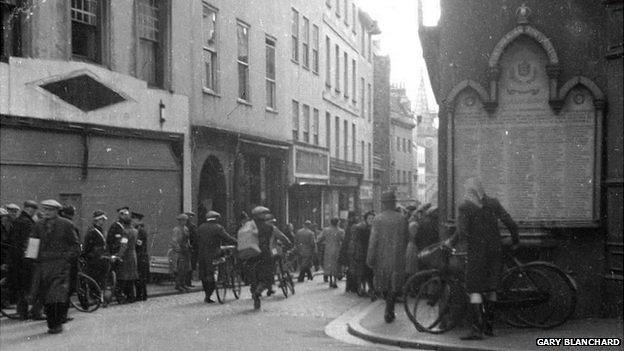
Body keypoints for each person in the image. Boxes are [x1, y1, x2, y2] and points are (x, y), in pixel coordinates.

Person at [448, 178, 519, 340]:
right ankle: (489, 327)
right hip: (496, 251)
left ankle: (476, 330)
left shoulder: (465, 206)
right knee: (492, 288)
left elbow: (462, 231)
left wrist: (452, 243)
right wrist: (515, 240)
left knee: (474, 289)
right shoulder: (493, 203)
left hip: (477, 254)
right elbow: (510, 223)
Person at [29, 199, 81, 334]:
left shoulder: (66, 224)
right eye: (45, 209)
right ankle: (52, 324)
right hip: (43, 266)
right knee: (46, 296)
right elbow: (33, 243)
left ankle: (57, 323)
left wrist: (66, 258)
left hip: (60, 266)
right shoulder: (38, 225)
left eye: (50, 210)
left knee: (57, 296)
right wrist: (30, 259)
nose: (46, 212)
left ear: (57, 211)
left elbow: (75, 245)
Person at [367, 190, 409, 323]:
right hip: (397, 257)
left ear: (384, 204)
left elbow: (373, 240)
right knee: (394, 285)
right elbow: (407, 239)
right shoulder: (402, 219)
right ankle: (389, 308)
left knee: (384, 284)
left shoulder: (378, 219)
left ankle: (388, 307)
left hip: (382, 257)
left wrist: (370, 257)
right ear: (394, 203)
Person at [196, 211, 237, 303]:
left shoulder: (200, 228)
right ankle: (222, 276)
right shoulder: (218, 228)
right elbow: (227, 238)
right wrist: (237, 242)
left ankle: (207, 294)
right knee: (222, 260)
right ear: (216, 219)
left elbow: (196, 240)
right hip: (214, 253)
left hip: (202, 254)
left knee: (204, 274)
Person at [6, 200, 38, 319]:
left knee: (20, 287)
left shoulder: (17, 221)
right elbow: (30, 243)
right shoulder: (27, 223)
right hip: (25, 260)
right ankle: (25, 312)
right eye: (34, 210)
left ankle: (21, 312)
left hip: (16, 260)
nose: (34, 212)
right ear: (30, 209)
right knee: (26, 286)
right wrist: (32, 258)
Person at [248, 206, 274, 310]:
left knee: (254, 277)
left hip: (251, 254)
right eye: (264, 214)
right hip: (264, 253)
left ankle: (256, 298)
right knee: (267, 277)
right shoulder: (268, 227)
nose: (265, 215)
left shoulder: (248, 226)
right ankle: (258, 292)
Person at [112, 210, 138, 303]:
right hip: (133, 254)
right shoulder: (135, 231)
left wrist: (119, 255)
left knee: (122, 277)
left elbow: (124, 245)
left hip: (126, 256)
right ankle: (131, 296)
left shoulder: (125, 232)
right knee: (131, 277)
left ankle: (120, 297)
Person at [83, 210, 109, 295]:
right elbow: (87, 246)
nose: (103, 222)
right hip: (94, 259)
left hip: (101, 258)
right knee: (94, 278)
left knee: (101, 277)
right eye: (102, 220)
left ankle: (99, 294)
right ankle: (94, 294)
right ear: (97, 220)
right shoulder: (92, 231)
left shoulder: (100, 230)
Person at [353, 211, 375, 296]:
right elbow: (357, 242)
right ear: (366, 219)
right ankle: (361, 289)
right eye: (369, 218)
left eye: (373, 218)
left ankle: (370, 289)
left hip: (370, 254)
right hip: (362, 254)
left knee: (369, 272)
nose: (371, 220)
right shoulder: (361, 228)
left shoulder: (374, 229)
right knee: (362, 273)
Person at [318, 218, 344, 288]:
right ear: (337, 223)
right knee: (336, 265)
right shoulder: (340, 231)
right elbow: (343, 239)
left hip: (328, 250)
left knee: (329, 265)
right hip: (337, 250)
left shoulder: (325, 230)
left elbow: (319, 238)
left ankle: (330, 280)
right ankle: (335, 281)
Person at [171, 213, 191, 292]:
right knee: (180, 268)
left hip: (185, 249)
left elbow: (188, 239)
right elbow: (174, 241)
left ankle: (183, 283)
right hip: (179, 251)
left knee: (186, 268)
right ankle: (178, 285)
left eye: (185, 220)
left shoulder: (186, 229)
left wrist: (189, 245)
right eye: (183, 220)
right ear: (179, 221)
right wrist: (177, 249)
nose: (184, 222)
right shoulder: (176, 230)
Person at [339, 211, 359, 293]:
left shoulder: (348, 226)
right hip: (353, 250)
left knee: (350, 269)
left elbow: (345, 241)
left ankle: (349, 286)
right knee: (353, 269)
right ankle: (353, 286)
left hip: (348, 250)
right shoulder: (355, 226)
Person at [132, 212, 149, 301]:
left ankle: (142, 295)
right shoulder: (137, 229)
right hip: (140, 255)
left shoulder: (141, 231)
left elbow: (139, 243)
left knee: (141, 277)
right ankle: (140, 295)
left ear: (138, 220)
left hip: (141, 256)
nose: (132, 221)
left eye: (134, 219)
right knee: (139, 277)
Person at [185, 212, 198, 288]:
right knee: (190, 265)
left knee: (187, 265)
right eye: (191, 217)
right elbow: (195, 238)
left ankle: (186, 282)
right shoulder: (192, 226)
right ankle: (188, 282)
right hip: (191, 248)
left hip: (187, 248)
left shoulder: (183, 226)